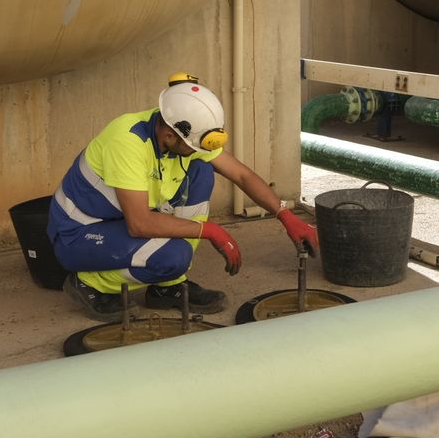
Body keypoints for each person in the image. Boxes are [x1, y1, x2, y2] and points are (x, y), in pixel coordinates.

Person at [47, 73, 319, 321]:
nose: (195, 150)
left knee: (201, 169)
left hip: (117, 221)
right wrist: (209, 230)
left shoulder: (177, 131)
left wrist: (284, 214)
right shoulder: (127, 142)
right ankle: (89, 283)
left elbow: (242, 176)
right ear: (169, 134)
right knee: (172, 257)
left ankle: (167, 287)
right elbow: (139, 223)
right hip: (79, 234)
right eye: (191, 147)